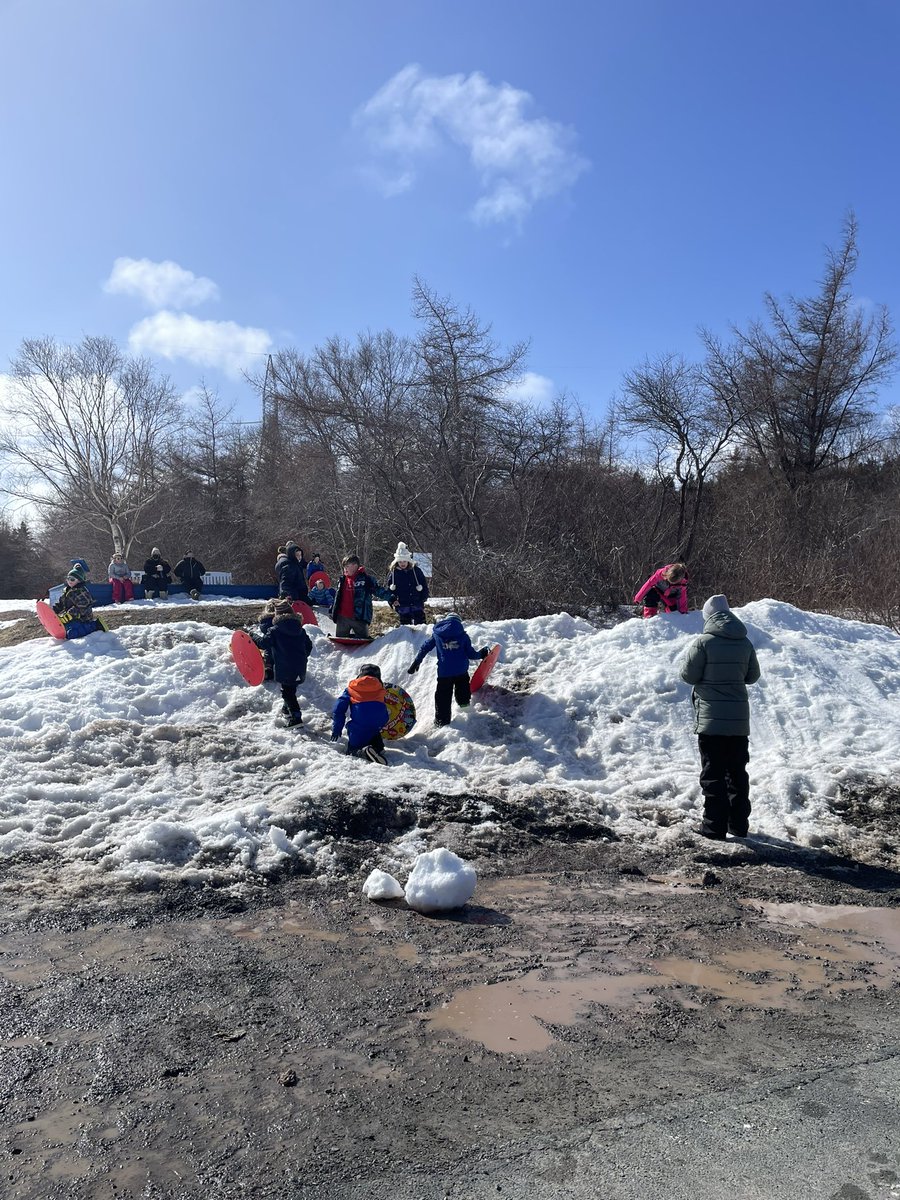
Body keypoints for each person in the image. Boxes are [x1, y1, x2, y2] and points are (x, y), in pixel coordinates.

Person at [679, 594, 761, 841]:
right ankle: (737, 825)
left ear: (708, 617)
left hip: (711, 721)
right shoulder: (745, 642)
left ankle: (713, 828)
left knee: (713, 774)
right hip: (738, 722)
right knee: (737, 773)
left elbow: (688, 676)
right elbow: (752, 676)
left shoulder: (703, 643)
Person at [407, 612, 490, 727]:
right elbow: (471, 654)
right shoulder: (463, 635)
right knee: (463, 692)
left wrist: (417, 661)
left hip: (444, 674)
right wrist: (481, 654)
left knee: (443, 697)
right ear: (458, 623)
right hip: (461, 671)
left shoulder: (437, 635)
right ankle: (465, 711)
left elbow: (425, 647)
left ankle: (441, 722)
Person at [254, 598, 313, 727]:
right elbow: (309, 645)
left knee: (287, 692)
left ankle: (296, 718)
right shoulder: (301, 630)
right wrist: (303, 657)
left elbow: (263, 643)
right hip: (300, 666)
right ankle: (287, 710)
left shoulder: (275, 631)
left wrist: (252, 637)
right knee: (291, 689)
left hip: (286, 668)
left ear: (277, 616)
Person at [331, 663, 389, 764]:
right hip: (378, 724)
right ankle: (378, 748)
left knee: (351, 750)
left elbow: (338, 709)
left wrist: (337, 728)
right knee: (373, 732)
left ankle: (362, 752)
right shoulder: (381, 688)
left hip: (359, 727)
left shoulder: (351, 689)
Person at [330, 554, 383, 639]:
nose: (345, 569)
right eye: (344, 567)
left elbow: (379, 590)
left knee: (363, 640)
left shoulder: (366, 579)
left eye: (347, 566)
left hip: (359, 617)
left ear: (355, 566)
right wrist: (332, 609)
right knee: (341, 641)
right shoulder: (342, 580)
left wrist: (391, 597)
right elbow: (338, 597)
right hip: (343, 617)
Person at [52, 565, 104, 639]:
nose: (69, 581)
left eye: (72, 579)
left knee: (71, 634)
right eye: (68, 578)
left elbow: (81, 607)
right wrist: (54, 610)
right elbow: (61, 603)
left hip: (83, 619)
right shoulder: (68, 590)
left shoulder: (81, 592)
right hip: (72, 618)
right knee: (64, 628)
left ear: (79, 580)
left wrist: (68, 615)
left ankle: (95, 625)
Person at [386, 541, 429, 625]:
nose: (402, 564)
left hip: (417, 603)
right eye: (400, 562)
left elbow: (424, 584)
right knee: (405, 628)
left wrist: (423, 597)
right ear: (397, 562)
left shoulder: (416, 571)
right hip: (402, 605)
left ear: (408, 561)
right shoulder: (394, 574)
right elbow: (389, 590)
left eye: (404, 561)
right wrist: (393, 600)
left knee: (421, 626)